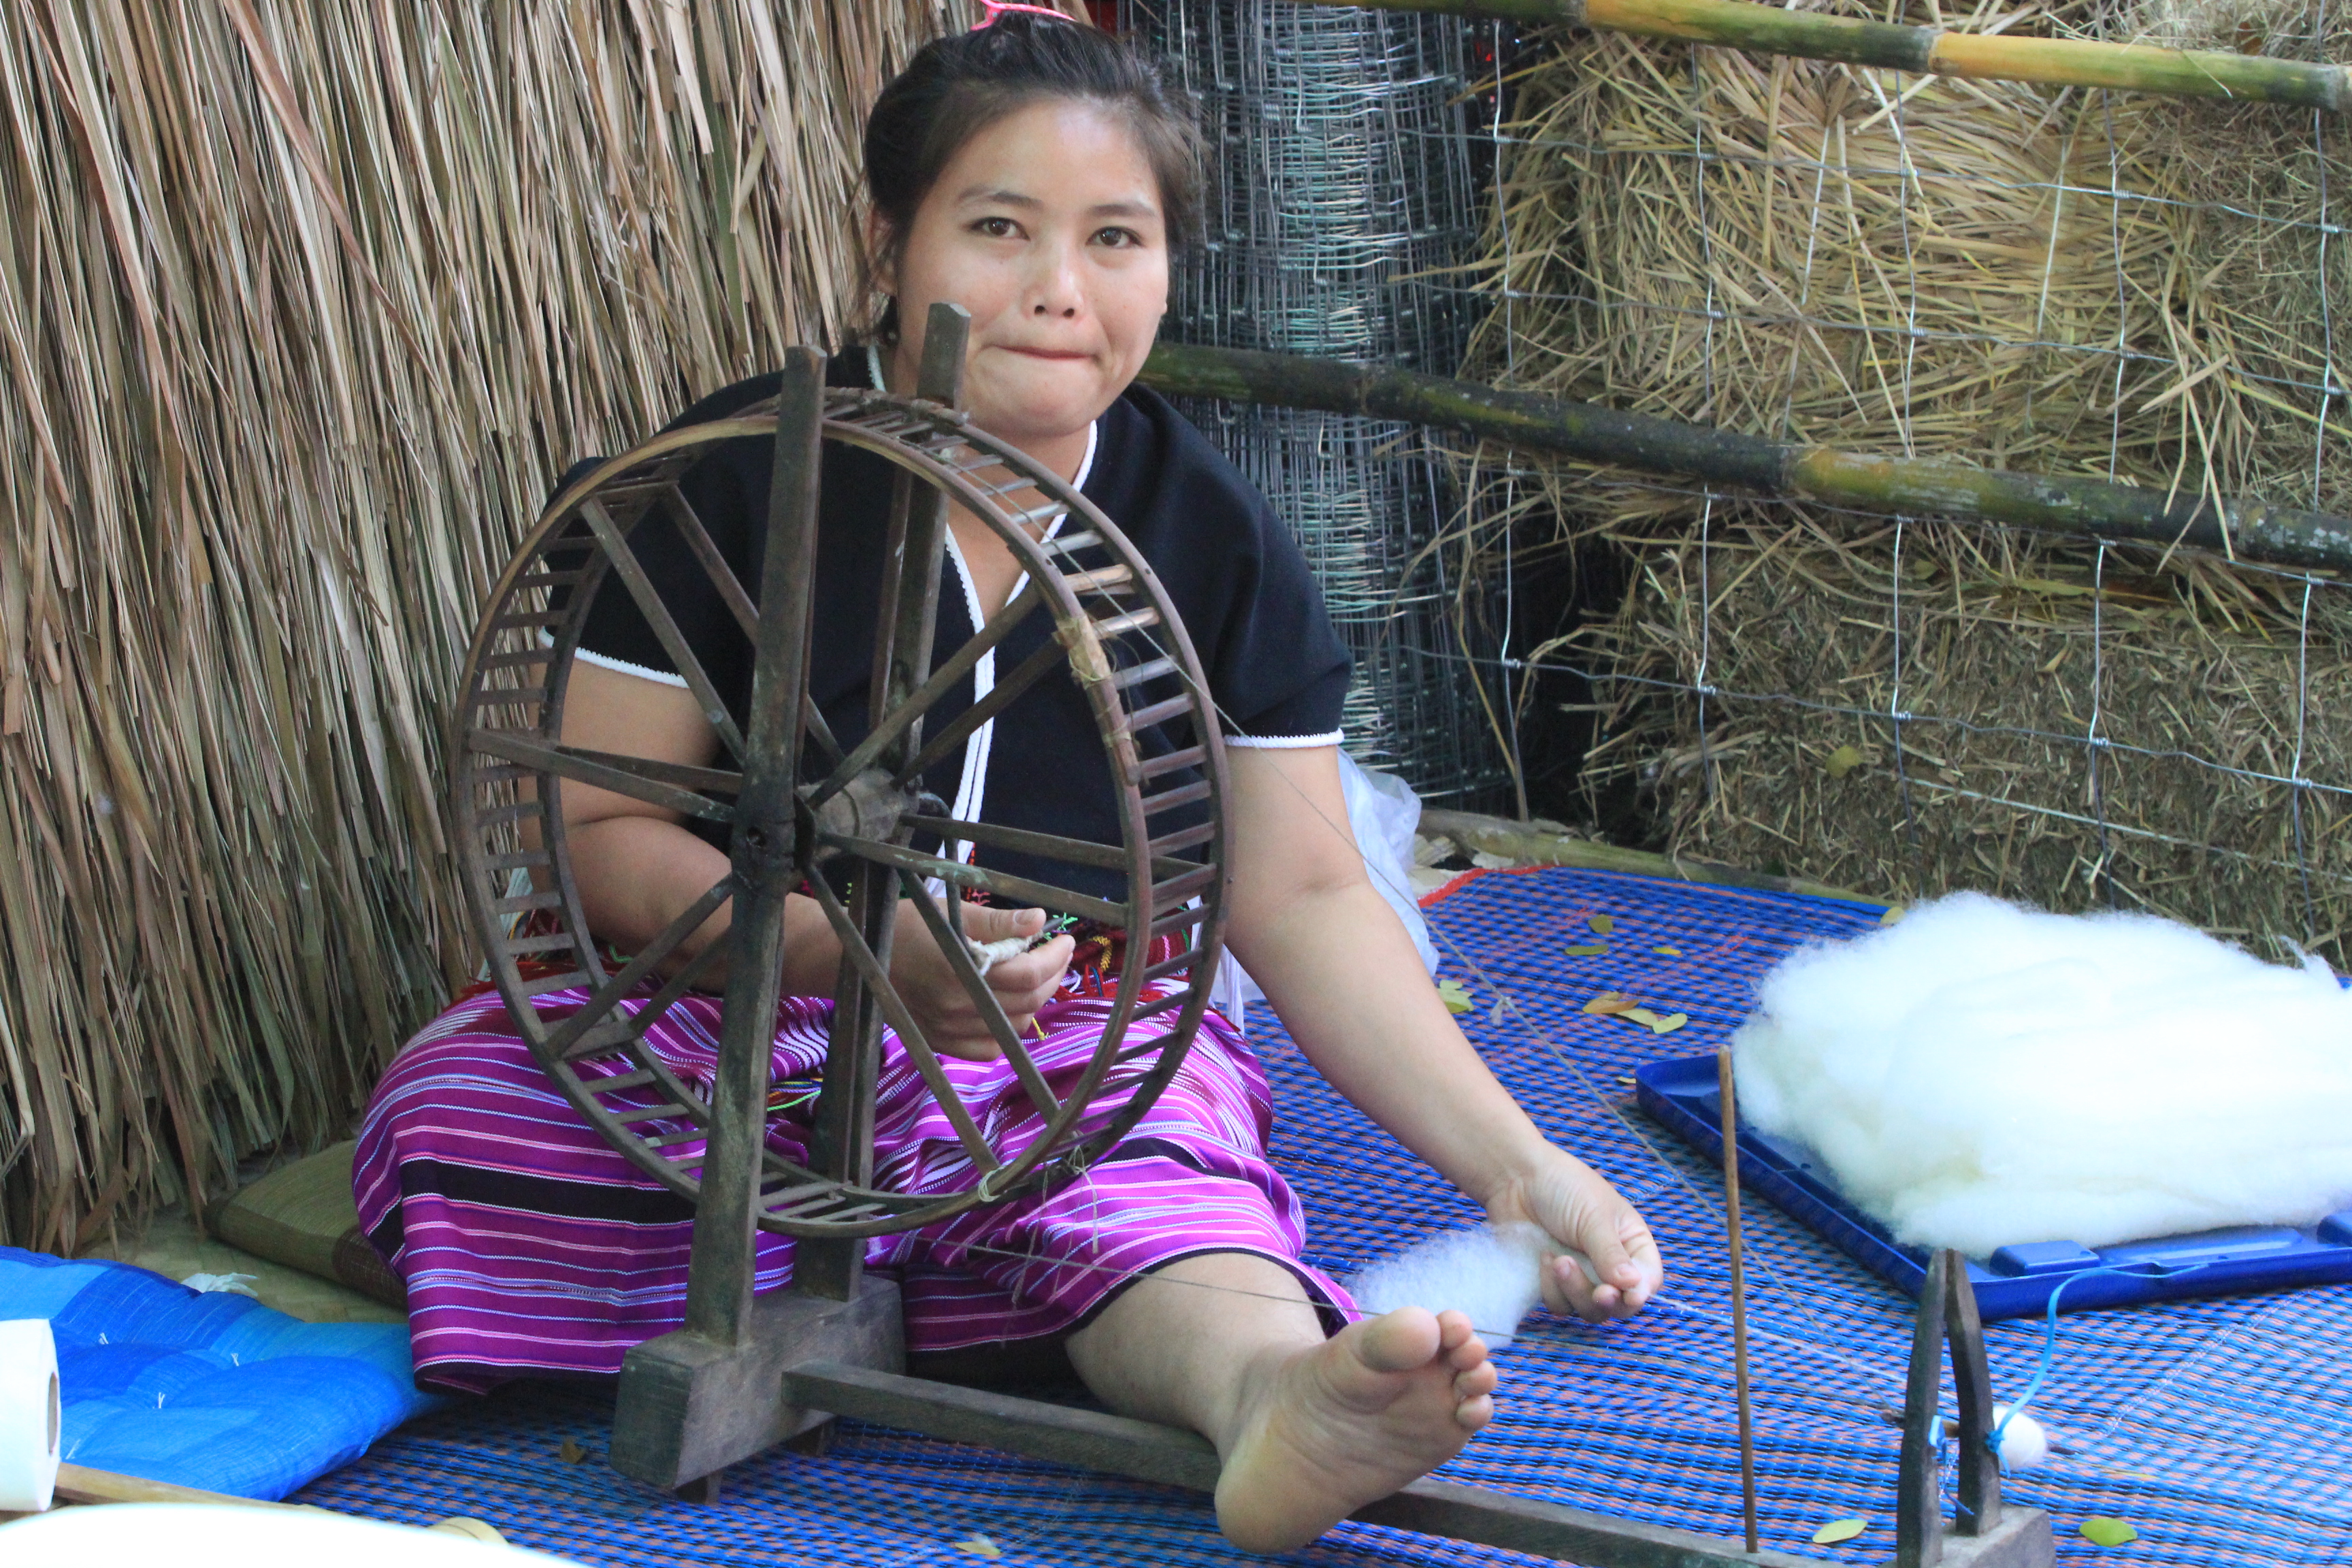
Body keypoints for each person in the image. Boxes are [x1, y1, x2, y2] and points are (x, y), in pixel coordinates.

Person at [356, 13, 1663, 1553]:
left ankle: (1260, 1391)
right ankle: (1037, 1288)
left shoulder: (1208, 538)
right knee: (455, 1114)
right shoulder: (733, 482)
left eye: (1116, 238)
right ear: (889, 241)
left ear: (1169, 267)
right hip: (721, 1016)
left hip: (1063, 1041)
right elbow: (592, 824)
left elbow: (1304, 891)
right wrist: (849, 952)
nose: (1059, 287)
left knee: (1137, 1159)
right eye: (997, 228)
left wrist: (1521, 1170)